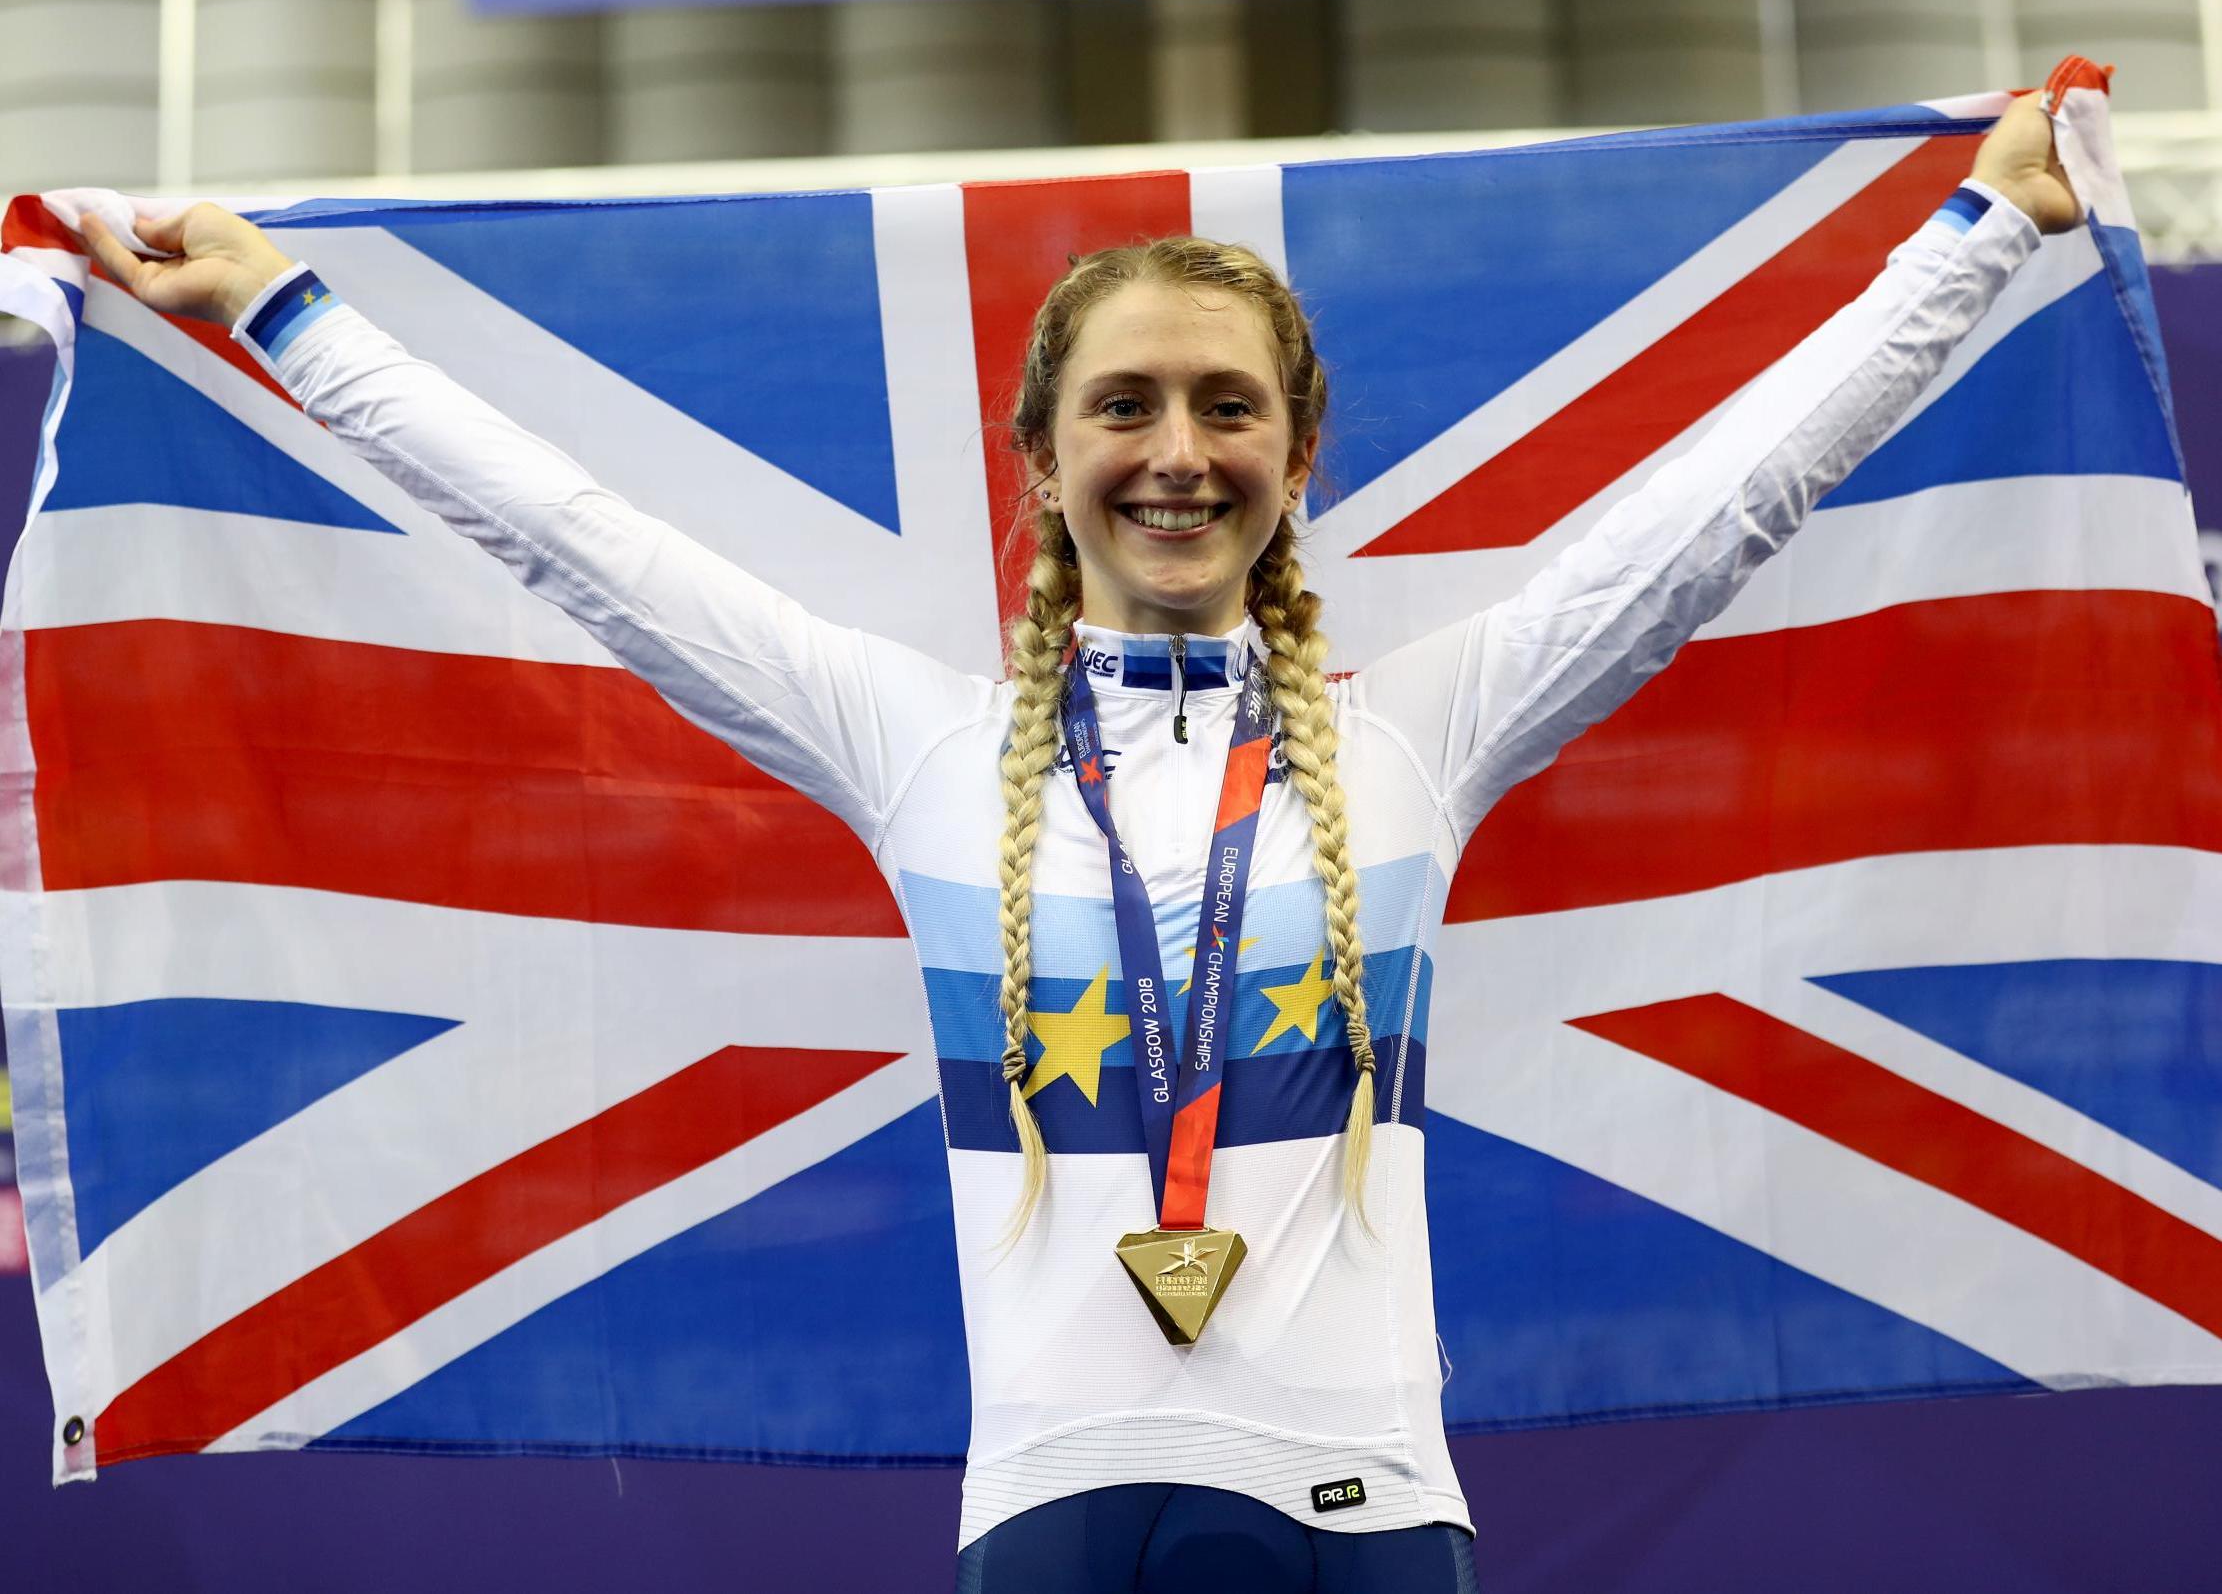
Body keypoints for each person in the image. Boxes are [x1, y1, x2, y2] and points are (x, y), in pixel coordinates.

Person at [78, 92, 2078, 1592]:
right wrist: (288, 312)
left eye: (1226, 409)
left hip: (1366, 1517)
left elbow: (1724, 498)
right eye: (1124, 407)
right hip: (1044, 1519)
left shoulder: (1424, 738)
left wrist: (1984, 229)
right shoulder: (916, 747)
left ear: (1300, 454)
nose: (1177, 453)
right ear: (1038, 460)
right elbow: (579, 544)